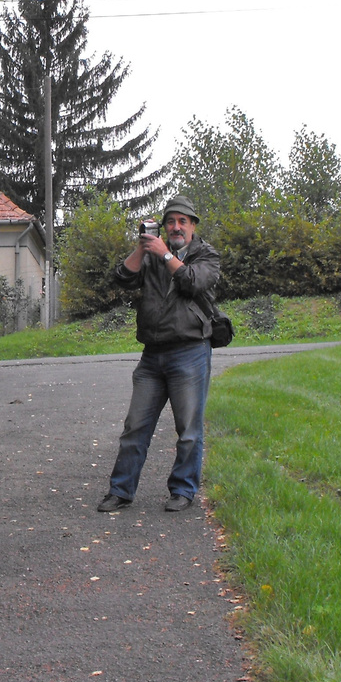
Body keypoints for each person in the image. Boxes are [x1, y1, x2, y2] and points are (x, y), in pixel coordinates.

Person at [97, 195, 222, 513]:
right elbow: (122, 279)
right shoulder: (151, 253)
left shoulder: (206, 255)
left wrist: (164, 253)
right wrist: (143, 246)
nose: (176, 227)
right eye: (170, 222)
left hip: (190, 353)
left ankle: (182, 490)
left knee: (189, 431)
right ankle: (120, 491)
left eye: (183, 221)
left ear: (193, 226)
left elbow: (193, 282)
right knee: (135, 427)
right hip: (152, 355)